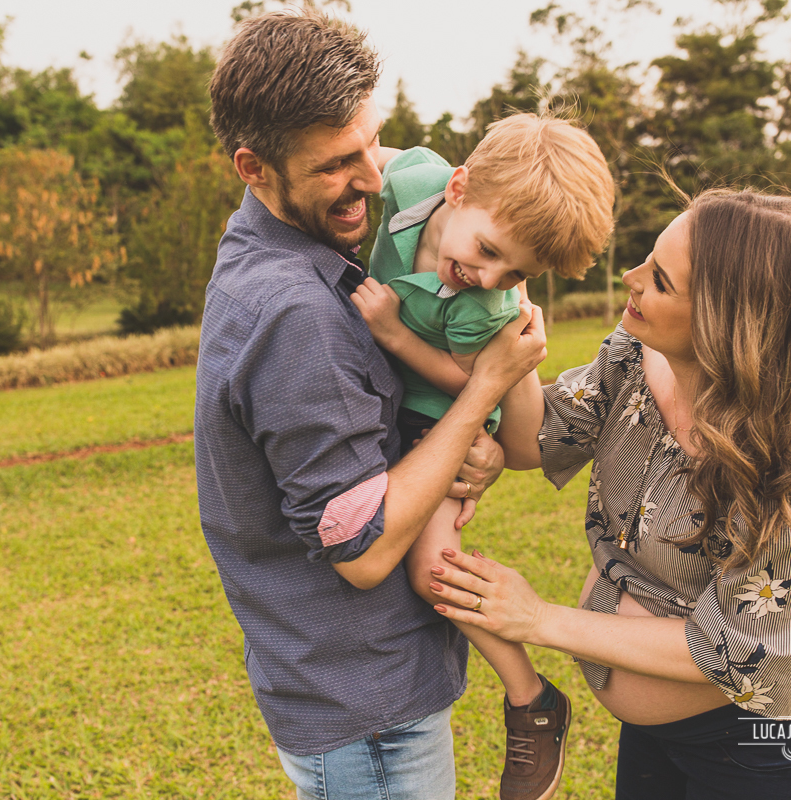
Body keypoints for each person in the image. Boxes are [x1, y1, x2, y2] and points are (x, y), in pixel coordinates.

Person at [195, 10, 548, 800]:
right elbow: (364, 550)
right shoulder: (297, 313)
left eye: (371, 145)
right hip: (366, 707)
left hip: (342, 681)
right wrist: (482, 393)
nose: (372, 180)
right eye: (335, 166)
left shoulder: (270, 239)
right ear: (254, 167)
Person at [426, 188, 791, 799]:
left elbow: (745, 654)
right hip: (658, 733)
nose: (630, 278)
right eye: (648, 257)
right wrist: (512, 353)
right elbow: (543, 438)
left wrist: (536, 619)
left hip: (771, 752)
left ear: (730, 321)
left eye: (660, 279)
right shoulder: (638, 349)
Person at [349, 114, 614, 800]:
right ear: (458, 187)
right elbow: (373, 154)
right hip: (383, 405)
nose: (489, 274)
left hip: (439, 420)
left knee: (429, 572)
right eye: (490, 249)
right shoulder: (414, 181)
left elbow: (478, 385)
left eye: (516, 271)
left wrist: (394, 337)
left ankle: (531, 697)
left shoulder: (484, 306)